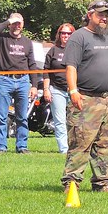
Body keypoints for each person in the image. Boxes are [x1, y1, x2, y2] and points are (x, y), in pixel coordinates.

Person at [62, 0, 108, 192]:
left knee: (105, 144)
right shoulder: (79, 37)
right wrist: (73, 91)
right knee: (81, 142)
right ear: (90, 14)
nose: (104, 18)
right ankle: (71, 183)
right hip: (86, 99)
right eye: (101, 14)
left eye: (107, 14)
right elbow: (71, 66)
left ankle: (102, 183)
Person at [0, 12, 38, 154]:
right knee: (1, 115)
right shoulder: (2, 39)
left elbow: (32, 64)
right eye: (14, 23)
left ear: (23, 24)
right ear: (10, 24)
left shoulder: (27, 42)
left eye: (19, 23)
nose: (17, 26)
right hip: (5, 79)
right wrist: (8, 21)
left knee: (22, 116)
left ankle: (22, 146)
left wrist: (34, 85)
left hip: (23, 80)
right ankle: (1, 146)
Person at [41, 23, 75, 154]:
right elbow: (46, 71)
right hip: (57, 90)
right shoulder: (53, 50)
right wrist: (46, 89)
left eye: (68, 33)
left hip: (74, 91)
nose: (65, 36)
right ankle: (64, 150)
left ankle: (75, 148)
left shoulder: (77, 50)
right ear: (59, 35)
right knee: (60, 121)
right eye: (63, 33)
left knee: (75, 121)